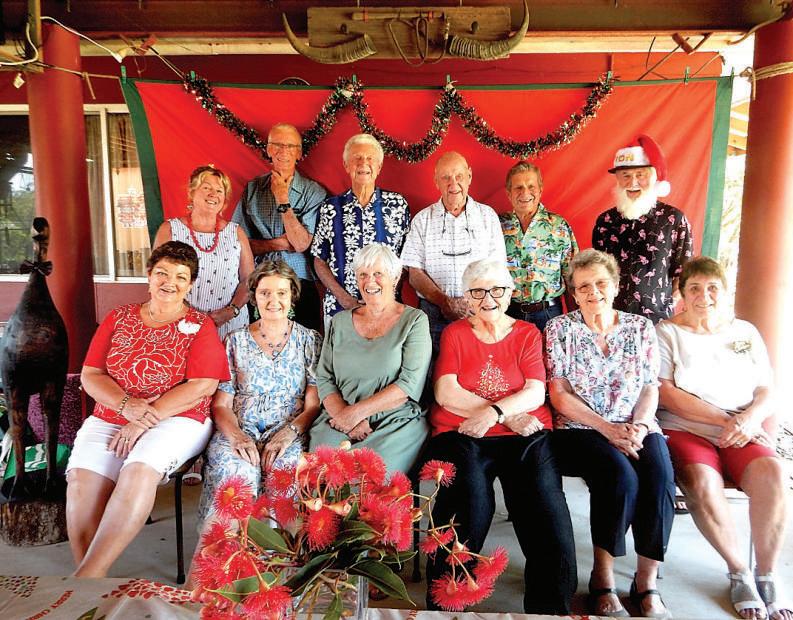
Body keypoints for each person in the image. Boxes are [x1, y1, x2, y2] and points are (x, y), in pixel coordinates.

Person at [65, 241, 229, 577]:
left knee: (138, 470)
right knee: (82, 480)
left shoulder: (200, 326)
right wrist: (127, 406)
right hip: (113, 413)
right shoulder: (118, 317)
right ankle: (91, 579)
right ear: (149, 275)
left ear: (190, 284)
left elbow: (202, 386)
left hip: (178, 418)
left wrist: (142, 420)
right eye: (163, 273)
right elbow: (91, 374)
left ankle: (84, 580)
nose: (170, 282)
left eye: (181, 277)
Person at [425, 258, 577, 615]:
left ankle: (549, 608)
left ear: (510, 293)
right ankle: (446, 603)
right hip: (462, 432)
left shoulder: (527, 333)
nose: (488, 299)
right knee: (470, 504)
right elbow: (446, 392)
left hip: (526, 434)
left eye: (496, 290)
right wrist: (506, 415)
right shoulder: (455, 333)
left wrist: (495, 415)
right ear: (466, 297)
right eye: (478, 291)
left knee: (543, 505)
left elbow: (535, 391)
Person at [656, 256, 791, 620]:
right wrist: (726, 419)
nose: (704, 296)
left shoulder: (744, 333)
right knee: (702, 481)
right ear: (682, 293)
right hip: (686, 427)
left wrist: (749, 419)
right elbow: (666, 392)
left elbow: (766, 389)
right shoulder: (667, 332)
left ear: (725, 292)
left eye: (713, 288)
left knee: (774, 473)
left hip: (743, 427)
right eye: (695, 288)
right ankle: (739, 571)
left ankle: (767, 573)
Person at [546, 248, 674, 619]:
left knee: (660, 477)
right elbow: (559, 394)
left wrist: (640, 426)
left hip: (637, 423)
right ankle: (602, 577)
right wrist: (607, 429)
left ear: (616, 286)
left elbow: (650, 386)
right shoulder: (560, 329)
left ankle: (646, 581)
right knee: (619, 477)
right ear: (573, 293)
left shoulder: (640, 327)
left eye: (601, 283)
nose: (593, 292)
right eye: (583, 286)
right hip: (581, 427)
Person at [193, 261, 321, 566]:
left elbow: (313, 405)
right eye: (265, 293)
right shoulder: (234, 341)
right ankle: (214, 570)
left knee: (284, 475)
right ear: (254, 297)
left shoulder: (310, 341)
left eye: (281, 293)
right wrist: (237, 437)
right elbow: (221, 405)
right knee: (237, 475)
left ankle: (282, 567)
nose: (273, 300)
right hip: (240, 428)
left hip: (289, 430)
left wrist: (288, 433)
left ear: (293, 296)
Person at [309, 244, 431, 474]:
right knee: (323, 476)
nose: (370, 281)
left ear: (395, 277)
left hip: (394, 420)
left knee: (370, 479)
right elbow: (324, 377)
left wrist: (357, 414)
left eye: (378, 274)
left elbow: (408, 384)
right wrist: (346, 417)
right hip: (338, 417)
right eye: (363, 274)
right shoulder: (339, 322)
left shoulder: (415, 320)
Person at [401, 151, 507, 360]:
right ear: (436, 182)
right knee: (434, 371)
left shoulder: (487, 216)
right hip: (433, 314)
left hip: (480, 311)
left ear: (469, 176)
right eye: (446, 177)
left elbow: (497, 270)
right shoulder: (422, 220)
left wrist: (476, 302)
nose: (453, 183)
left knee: (478, 370)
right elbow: (414, 273)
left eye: (459, 176)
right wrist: (444, 302)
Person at [232, 123, 327, 333]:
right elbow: (238, 244)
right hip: (260, 283)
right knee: (260, 341)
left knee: (305, 343)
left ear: (299, 153)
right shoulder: (252, 189)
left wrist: (283, 199)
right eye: (277, 145)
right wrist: (279, 243)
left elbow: (301, 244)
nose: (283, 151)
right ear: (268, 149)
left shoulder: (314, 192)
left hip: (299, 283)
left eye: (290, 146)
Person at [310, 134, 410, 330]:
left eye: (370, 158)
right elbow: (319, 260)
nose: (363, 163)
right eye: (357, 158)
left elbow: (407, 258)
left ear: (379, 166)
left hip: (387, 309)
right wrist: (344, 298)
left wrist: (385, 295)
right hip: (340, 309)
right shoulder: (330, 208)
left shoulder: (397, 205)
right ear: (346, 165)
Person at [592, 134, 693, 324]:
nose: (633, 183)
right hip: (611, 321)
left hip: (657, 321)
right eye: (626, 176)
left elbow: (684, 273)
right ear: (617, 179)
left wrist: (665, 304)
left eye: (640, 175)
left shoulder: (674, 220)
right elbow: (596, 271)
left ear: (653, 177)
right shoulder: (605, 221)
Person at [153, 164, 254, 340]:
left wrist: (230, 311)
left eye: (219, 190)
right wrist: (186, 314)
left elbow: (249, 279)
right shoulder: (170, 230)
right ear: (192, 192)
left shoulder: (236, 232)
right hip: (183, 323)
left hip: (231, 325)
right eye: (206, 188)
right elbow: (157, 278)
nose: (213, 194)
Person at [500, 161, 578, 332]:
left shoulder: (558, 226)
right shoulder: (498, 226)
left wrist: (576, 320)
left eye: (531, 186)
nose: (525, 192)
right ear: (509, 193)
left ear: (540, 190)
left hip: (549, 312)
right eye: (518, 187)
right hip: (508, 313)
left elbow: (572, 276)